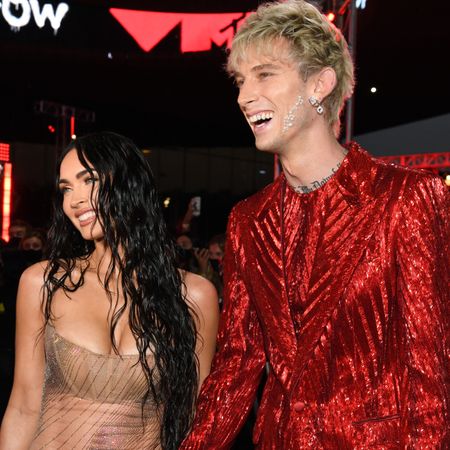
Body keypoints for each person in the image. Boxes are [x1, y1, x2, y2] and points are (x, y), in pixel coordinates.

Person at [180, 1, 449, 448]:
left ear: (320, 84)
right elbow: (236, 367)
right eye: (241, 81)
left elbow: (430, 378)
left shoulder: (405, 199)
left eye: (265, 74)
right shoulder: (248, 221)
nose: (244, 96)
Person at [0, 132, 219, 449]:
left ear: (128, 182)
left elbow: (194, 420)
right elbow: (23, 407)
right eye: (65, 189)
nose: (73, 200)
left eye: (87, 180)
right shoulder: (43, 283)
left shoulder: (194, 295)